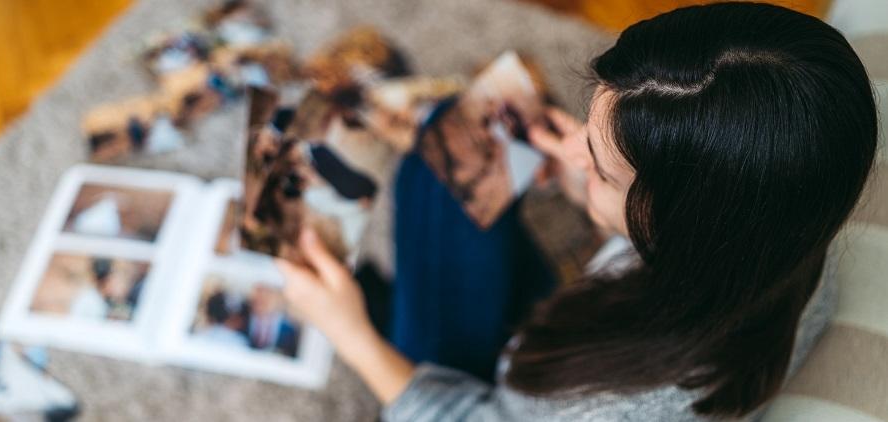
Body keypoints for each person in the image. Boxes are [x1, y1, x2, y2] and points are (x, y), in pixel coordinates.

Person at [276, 3, 878, 421]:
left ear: (679, 227)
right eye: (589, 127)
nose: (569, 150)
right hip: (585, 316)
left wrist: (351, 337)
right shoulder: (788, 228)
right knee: (455, 139)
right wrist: (589, 186)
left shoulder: (609, 406)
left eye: (599, 164)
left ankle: (378, 313)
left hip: (503, 393)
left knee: (431, 172)